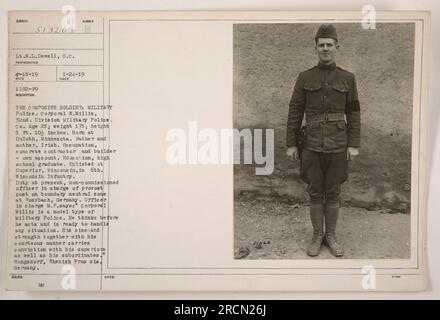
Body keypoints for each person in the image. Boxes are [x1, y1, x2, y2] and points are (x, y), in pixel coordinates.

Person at [286, 24, 361, 257]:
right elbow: (295, 110)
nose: (326, 49)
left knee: (334, 190)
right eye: (322, 45)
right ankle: (317, 235)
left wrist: (353, 144)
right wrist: (291, 143)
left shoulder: (348, 78)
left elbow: (354, 112)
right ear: (316, 48)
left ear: (337, 47)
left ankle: (332, 235)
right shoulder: (305, 77)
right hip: (311, 144)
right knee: (315, 191)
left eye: (330, 45)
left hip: (339, 142)